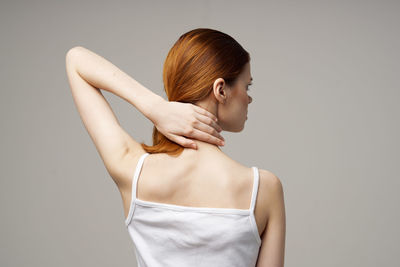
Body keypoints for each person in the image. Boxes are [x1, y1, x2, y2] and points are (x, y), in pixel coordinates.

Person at [65, 28, 286, 267]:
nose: (249, 98)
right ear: (220, 90)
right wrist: (159, 108)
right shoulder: (263, 189)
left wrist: (154, 107)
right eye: (247, 86)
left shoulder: (133, 170)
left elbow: (76, 59)